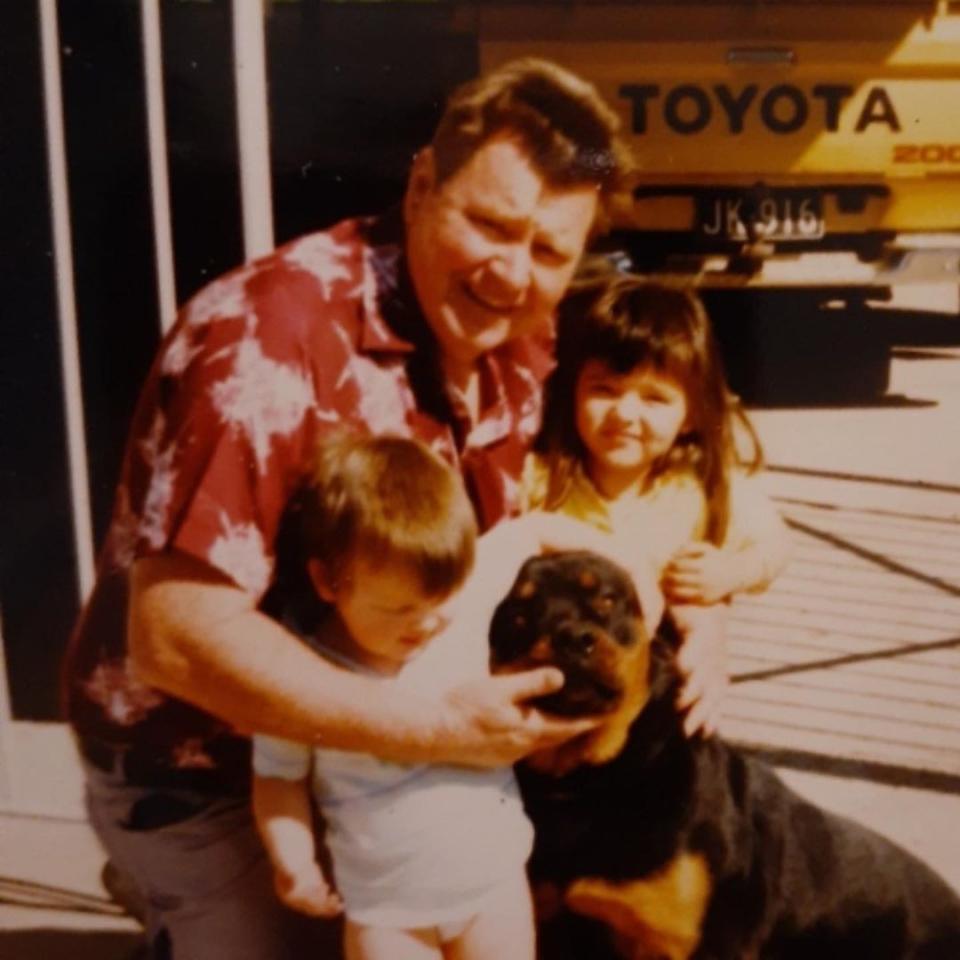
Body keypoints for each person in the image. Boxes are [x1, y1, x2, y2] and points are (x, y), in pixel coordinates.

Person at [62, 58, 633, 958]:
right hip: (209, 771)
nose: (510, 271)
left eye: (549, 250)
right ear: (420, 187)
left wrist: (704, 610)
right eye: (488, 223)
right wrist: (436, 730)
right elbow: (171, 637)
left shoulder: (522, 329)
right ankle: (173, 886)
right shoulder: (266, 339)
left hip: (395, 753)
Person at [253, 433, 536, 960]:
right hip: (387, 912)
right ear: (328, 581)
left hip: (493, 886)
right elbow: (276, 776)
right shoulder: (305, 677)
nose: (426, 624)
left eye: (441, 601)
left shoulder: (463, 600)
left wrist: (639, 573)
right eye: (397, 610)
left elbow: (535, 532)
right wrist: (293, 860)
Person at [523, 269, 793, 733]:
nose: (625, 414)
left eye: (655, 399)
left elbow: (775, 543)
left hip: (656, 702)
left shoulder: (698, 488)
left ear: (692, 414)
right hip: (552, 690)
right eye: (604, 390)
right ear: (573, 391)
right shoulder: (542, 480)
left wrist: (730, 572)